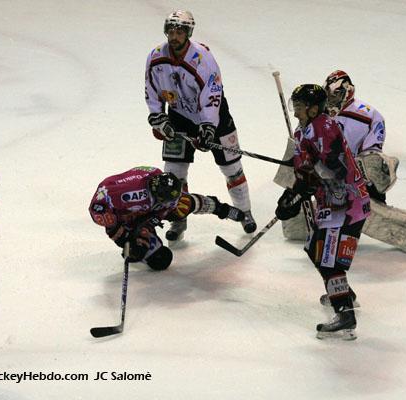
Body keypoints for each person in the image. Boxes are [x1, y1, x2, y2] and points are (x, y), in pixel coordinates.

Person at [144, 10, 256, 243]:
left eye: (180, 32)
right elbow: (152, 89)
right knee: (173, 172)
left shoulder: (203, 58)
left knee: (232, 168)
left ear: (188, 33)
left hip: (216, 118)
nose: (174, 36)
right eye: (171, 31)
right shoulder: (155, 57)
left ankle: (245, 212)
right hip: (179, 117)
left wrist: (208, 127)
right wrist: (157, 117)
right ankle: (178, 217)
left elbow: (212, 95)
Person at [274, 85, 370, 340]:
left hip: (346, 203)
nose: (295, 110)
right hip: (332, 203)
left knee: (327, 258)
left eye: (300, 105)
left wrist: (305, 186)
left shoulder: (325, 128)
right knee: (314, 249)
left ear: (313, 108)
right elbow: (305, 170)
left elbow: (334, 171)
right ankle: (343, 293)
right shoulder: (302, 130)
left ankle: (345, 313)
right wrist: (291, 194)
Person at [323, 70, 406, 255]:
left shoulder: (369, 115)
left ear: (348, 91)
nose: (332, 99)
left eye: (337, 94)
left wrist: (353, 172)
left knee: (373, 172)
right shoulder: (321, 114)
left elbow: (372, 158)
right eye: (329, 94)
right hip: (328, 174)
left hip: (356, 176)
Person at [89, 166, 245, 270]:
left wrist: (220, 210)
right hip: (128, 220)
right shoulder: (128, 193)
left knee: (184, 204)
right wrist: (126, 240)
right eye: (169, 201)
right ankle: (137, 247)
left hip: (149, 212)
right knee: (160, 259)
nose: (173, 204)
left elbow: (176, 200)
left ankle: (219, 207)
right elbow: (100, 206)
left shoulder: (161, 183)